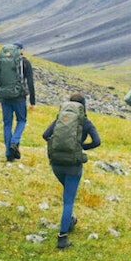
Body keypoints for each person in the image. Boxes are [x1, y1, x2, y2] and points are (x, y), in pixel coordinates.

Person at [41, 92, 101, 249]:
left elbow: (45, 135)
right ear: (83, 106)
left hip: (56, 165)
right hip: (73, 166)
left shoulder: (61, 119)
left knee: (67, 194)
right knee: (68, 201)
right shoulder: (85, 122)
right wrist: (80, 147)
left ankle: (70, 220)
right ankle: (62, 237)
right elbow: (97, 141)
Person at [0, 42, 36, 161]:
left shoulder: (2, 61)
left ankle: (9, 154)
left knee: (7, 124)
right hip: (19, 96)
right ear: (21, 50)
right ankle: (14, 142)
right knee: (21, 120)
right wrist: (32, 101)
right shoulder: (24, 62)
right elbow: (30, 82)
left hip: (4, 96)